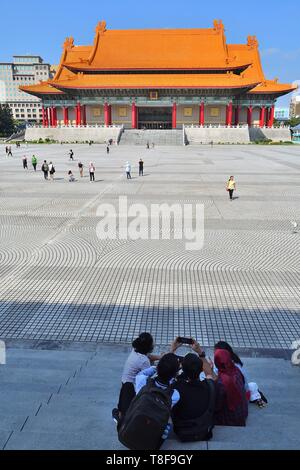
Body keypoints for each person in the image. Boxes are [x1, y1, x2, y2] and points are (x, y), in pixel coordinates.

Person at [172, 342, 216, 442]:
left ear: (182, 369)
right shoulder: (210, 385)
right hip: (203, 431)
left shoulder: (176, 386)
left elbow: (165, 370)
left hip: (181, 431)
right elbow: (209, 373)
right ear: (201, 370)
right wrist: (200, 352)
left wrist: (172, 350)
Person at [112, 333, 160, 423]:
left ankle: (120, 413)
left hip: (125, 383)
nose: (154, 343)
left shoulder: (135, 350)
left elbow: (148, 356)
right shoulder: (144, 361)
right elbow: (149, 375)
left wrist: (160, 357)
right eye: (152, 342)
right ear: (148, 346)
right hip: (132, 387)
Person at [214, 341, 267, 408]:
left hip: (231, 405)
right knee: (252, 385)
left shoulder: (223, 370)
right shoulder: (236, 364)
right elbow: (245, 385)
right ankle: (255, 394)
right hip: (244, 399)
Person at [213, 349, 248, 427]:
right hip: (243, 412)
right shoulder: (236, 369)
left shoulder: (221, 383)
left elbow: (216, 406)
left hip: (231, 419)